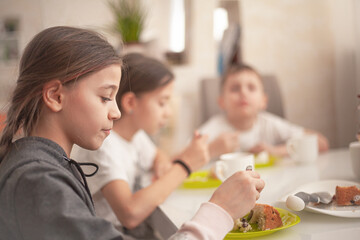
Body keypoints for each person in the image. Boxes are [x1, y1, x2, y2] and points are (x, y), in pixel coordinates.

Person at [0, 26, 265, 240]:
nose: (116, 112)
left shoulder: (42, 168)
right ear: (56, 96)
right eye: (105, 97)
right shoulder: (38, 182)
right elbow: (129, 213)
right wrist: (221, 209)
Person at [72, 53, 214, 238]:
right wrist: (185, 165)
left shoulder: (135, 135)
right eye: (162, 102)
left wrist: (162, 165)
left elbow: (158, 155)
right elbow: (129, 213)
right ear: (130, 102)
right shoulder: (104, 146)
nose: (168, 112)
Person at [198, 64, 329, 159]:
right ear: (221, 102)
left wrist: (275, 151)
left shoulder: (270, 124)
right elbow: (182, 160)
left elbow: (321, 143)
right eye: (235, 88)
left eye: (251, 88)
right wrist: (212, 149)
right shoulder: (214, 128)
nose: (243, 92)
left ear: (263, 100)